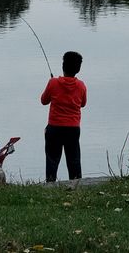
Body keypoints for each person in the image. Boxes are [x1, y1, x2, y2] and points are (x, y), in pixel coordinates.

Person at [40, 51, 87, 182]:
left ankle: (50, 184)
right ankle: (77, 184)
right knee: (74, 160)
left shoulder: (53, 83)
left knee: (52, 159)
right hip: (73, 129)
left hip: (54, 128)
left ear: (63, 66)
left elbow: (43, 101)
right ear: (78, 69)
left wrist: (52, 84)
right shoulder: (81, 85)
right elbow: (83, 104)